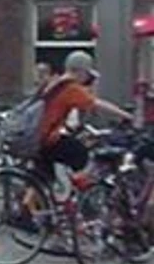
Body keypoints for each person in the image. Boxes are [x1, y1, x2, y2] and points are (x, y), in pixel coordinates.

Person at [32, 50, 132, 185]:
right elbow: (96, 104)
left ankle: (31, 203)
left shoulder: (55, 83)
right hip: (48, 138)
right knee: (81, 153)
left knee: (43, 178)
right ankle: (79, 191)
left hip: (37, 137)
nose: (86, 79)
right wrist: (126, 115)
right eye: (87, 74)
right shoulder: (70, 88)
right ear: (81, 71)